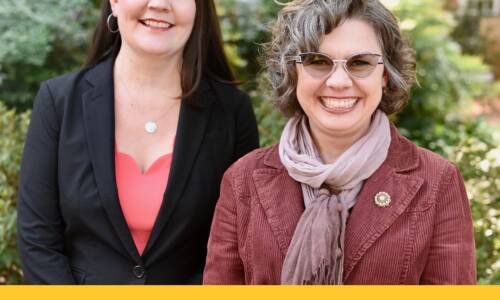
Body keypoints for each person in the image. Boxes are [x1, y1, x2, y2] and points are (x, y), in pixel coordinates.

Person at [203, 0, 475, 285]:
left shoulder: (438, 182)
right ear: (293, 73)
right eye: (317, 62)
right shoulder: (241, 180)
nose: (339, 81)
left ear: (385, 75)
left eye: (360, 63)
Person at [17, 0, 259, 284]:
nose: (159, 4)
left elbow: (237, 245)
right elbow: (38, 240)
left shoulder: (232, 112)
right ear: (115, 3)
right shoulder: (58, 102)